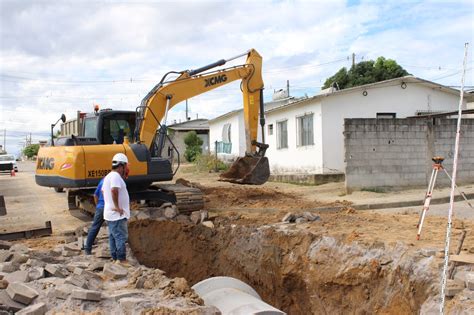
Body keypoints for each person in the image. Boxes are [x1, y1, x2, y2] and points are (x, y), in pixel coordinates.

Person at [102, 153, 130, 265]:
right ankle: (121, 259)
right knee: (120, 237)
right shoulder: (115, 177)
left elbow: (104, 191)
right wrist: (117, 207)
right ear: (121, 166)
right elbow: (114, 190)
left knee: (113, 236)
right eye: (125, 166)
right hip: (116, 214)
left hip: (109, 213)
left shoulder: (108, 176)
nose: (126, 169)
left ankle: (115, 258)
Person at [84, 178, 105, 255]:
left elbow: (95, 195)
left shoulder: (102, 181)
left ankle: (87, 249)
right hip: (109, 208)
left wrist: (98, 206)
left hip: (100, 208)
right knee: (115, 229)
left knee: (95, 227)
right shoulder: (114, 180)